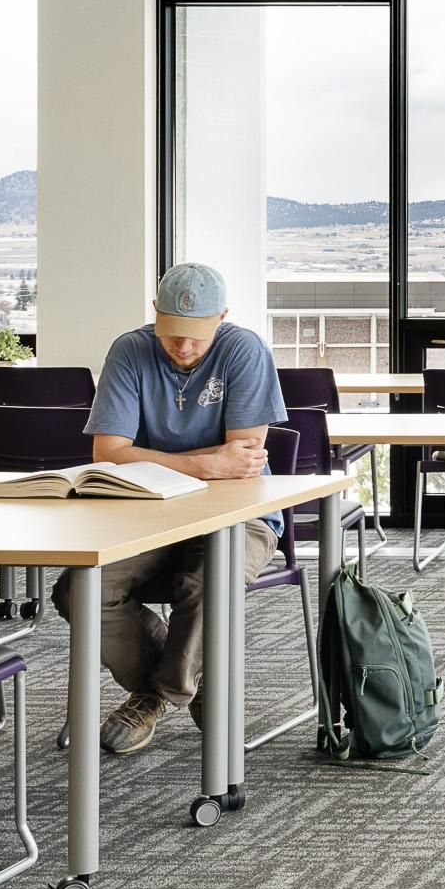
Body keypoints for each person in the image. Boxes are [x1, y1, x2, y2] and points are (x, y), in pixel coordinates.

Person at [75, 261, 287, 754]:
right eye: (173, 334)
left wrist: (157, 460)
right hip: (148, 511)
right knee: (81, 590)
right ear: (155, 313)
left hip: (242, 515)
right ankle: (184, 674)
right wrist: (204, 463)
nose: (184, 347)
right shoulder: (130, 350)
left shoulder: (244, 349)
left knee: (206, 581)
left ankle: (156, 694)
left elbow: (244, 462)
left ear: (223, 317)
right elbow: (108, 454)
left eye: (196, 336)